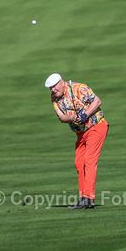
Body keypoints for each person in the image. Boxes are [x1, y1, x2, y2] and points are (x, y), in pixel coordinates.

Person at [45, 73, 108, 209]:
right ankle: (84, 197)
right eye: (50, 88)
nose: (52, 90)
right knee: (79, 163)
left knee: (89, 160)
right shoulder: (54, 98)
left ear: (62, 82)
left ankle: (88, 198)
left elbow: (97, 101)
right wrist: (74, 117)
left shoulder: (79, 88)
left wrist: (85, 115)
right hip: (81, 133)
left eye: (54, 86)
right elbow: (62, 117)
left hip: (96, 127)